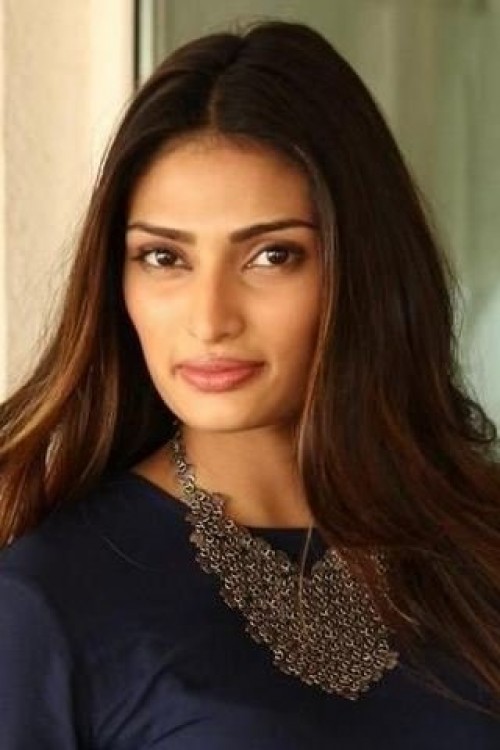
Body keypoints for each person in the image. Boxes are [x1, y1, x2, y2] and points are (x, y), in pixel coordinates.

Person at [0, 18, 499, 749]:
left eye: (271, 256)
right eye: (164, 258)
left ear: (363, 265)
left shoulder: (476, 544)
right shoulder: (49, 600)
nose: (210, 319)